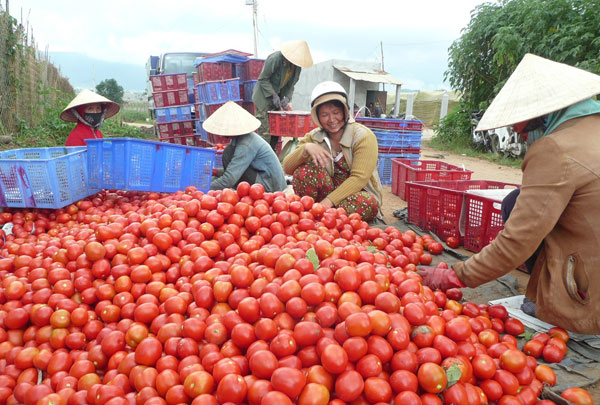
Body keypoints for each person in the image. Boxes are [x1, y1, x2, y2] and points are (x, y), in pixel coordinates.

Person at [417, 53, 600, 335]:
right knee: (514, 201)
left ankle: (571, 306)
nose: (520, 136)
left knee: (522, 216)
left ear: (542, 116)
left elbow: (518, 239)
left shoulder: (556, 149)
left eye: (522, 128)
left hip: (591, 291)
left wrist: (456, 275)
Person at [282, 81, 383, 223]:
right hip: (326, 195)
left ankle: (321, 219)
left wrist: (326, 204)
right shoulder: (315, 137)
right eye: (324, 115)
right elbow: (287, 167)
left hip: (354, 195)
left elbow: (359, 179)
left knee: (367, 202)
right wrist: (306, 149)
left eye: (336, 113)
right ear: (317, 117)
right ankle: (315, 217)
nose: (331, 120)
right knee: (304, 173)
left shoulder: (363, 137)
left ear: (345, 111)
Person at [204, 101, 286, 192]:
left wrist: (204, 188)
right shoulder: (241, 139)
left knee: (228, 153)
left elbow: (229, 180)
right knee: (228, 152)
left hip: (270, 186)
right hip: (264, 178)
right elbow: (234, 169)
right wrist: (215, 171)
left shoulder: (246, 144)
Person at [252, 40, 313, 150]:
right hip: (264, 97)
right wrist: (273, 95)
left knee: (276, 130)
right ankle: (262, 158)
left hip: (278, 99)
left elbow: (291, 85)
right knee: (265, 133)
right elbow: (263, 79)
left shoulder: (297, 67)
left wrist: (288, 97)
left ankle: (271, 154)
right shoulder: (275, 59)